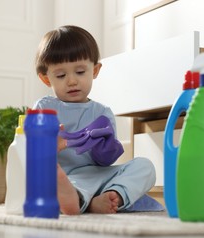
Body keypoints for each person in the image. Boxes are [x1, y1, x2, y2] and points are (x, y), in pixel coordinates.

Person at [33, 25, 156, 215]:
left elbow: (104, 163)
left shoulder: (102, 113)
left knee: (145, 166)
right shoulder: (45, 108)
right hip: (63, 178)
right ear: (46, 79)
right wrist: (49, 146)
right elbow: (31, 154)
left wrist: (105, 147)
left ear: (95, 70)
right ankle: (81, 200)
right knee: (58, 182)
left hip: (97, 177)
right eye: (61, 75)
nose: (72, 81)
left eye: (80, 72)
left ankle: (111, 196)